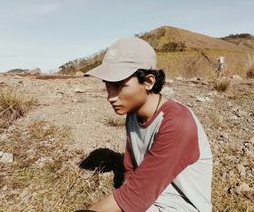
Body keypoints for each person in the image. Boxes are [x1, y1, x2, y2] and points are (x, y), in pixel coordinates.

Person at [85, 37, 213, 212]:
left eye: (119, 86)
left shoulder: (177, 122)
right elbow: (130, 170)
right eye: (107, 86)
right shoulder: (132, 115)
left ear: (149, 81)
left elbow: (134, 196)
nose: (110, 97)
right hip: (148, 199)